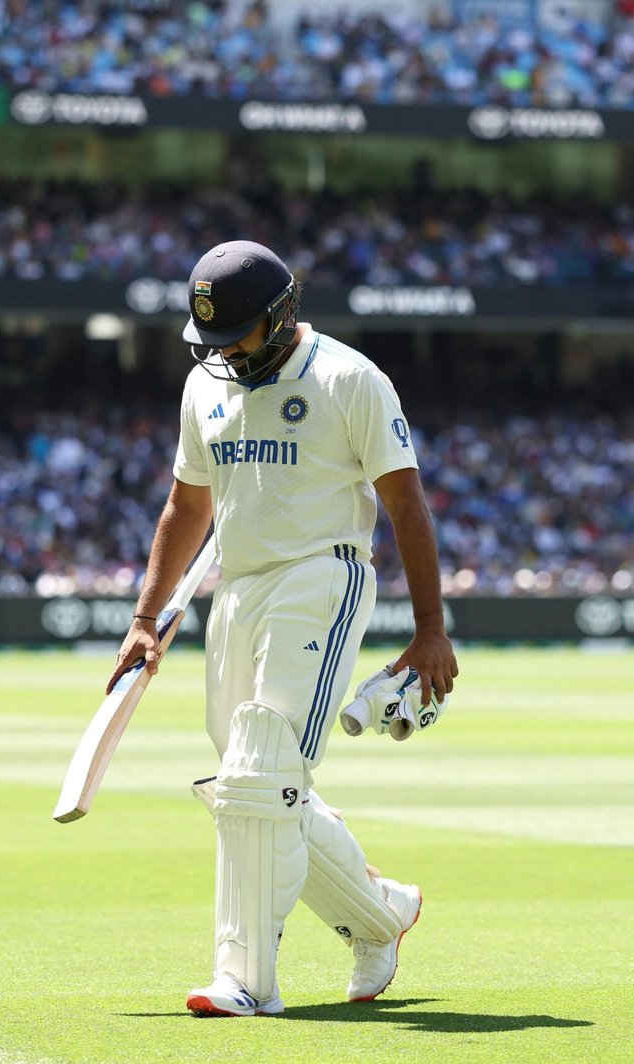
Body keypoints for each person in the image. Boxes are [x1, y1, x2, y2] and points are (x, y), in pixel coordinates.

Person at [106, 240, 458, 1017]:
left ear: (282, 312)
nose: (225, 352)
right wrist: (145, 618)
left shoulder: (349, 378)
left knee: (261, 765)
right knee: (259, 784)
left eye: (238, 334)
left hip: (323, 574)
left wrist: (430, 628)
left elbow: (406, 505)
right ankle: (381, 914)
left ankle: (246, 979)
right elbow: (186, 506)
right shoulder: (207, 385)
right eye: (213, 340)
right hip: (239, 589)